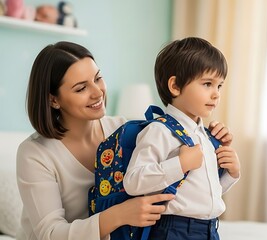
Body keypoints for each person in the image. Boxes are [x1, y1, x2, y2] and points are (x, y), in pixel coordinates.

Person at [16, 41, 233, 240]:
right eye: (81, 88)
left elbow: (175, 182)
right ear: (53, 99)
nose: (97, 92)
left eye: (98, 78)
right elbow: (50, 234)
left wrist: (208, 142)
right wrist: (117, 216)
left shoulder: (125, 131)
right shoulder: (35, 153)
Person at [123, 37, 241, 240]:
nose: (216, 95)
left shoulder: (205, 135)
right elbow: (133, 182)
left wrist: (232, 173)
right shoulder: (159, 130)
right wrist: (180, 164)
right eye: (207, 84)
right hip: (174, 230)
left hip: (210, 229)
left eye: (219, 86)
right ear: (175, 86)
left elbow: (202, 196)